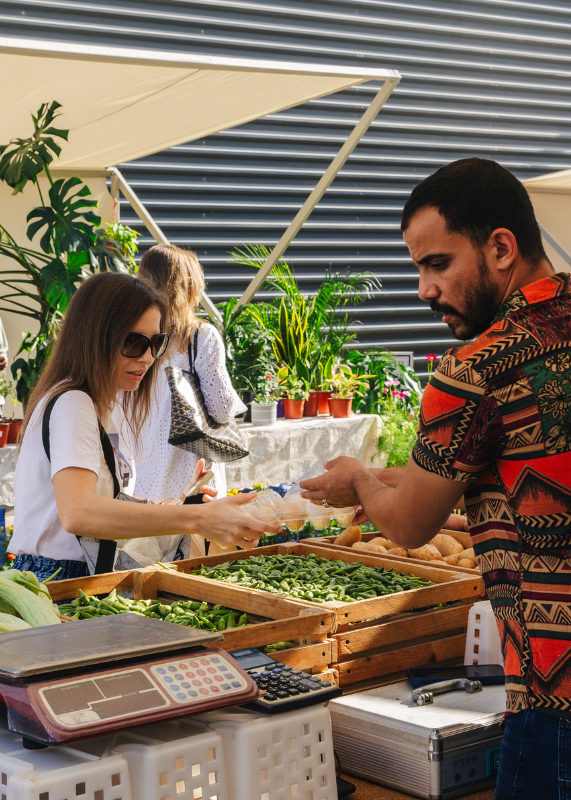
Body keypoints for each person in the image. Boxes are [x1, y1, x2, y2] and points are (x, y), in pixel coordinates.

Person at [300, 157, 571, 799]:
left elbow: (410, 524)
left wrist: (360, 483)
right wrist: (383, 474)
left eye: (438, 264)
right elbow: (511, 458)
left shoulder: (476, 369)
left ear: (500, 248)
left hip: (554, 690)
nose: (424, 289)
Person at [10, 272, 278, 581]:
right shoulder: (73, 403)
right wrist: (196, 517)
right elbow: (78, 512)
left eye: (157, 343)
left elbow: (108, 503)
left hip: (86, 572)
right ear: (95, 337)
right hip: (60, 577)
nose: (148, 357)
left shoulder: (109, 405)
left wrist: (180, 502)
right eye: (134, 342)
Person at [135, 244, 246, 502]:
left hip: (141, 479)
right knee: (196, 529)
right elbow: (220, 410)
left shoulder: (133, 338)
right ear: (188, 285)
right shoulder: (200, 337)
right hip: (192, 480)